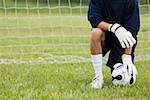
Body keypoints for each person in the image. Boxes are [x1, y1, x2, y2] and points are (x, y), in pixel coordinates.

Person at [88, 0, 140, 88]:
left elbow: (132, 29)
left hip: (123, 38)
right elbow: (94, 20)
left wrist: (127, 56)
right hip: (105, 34)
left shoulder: (131, 1)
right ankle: (98, 78)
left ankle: (119, 62)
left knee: (122, 79)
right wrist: (114, 28)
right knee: (95, 33)